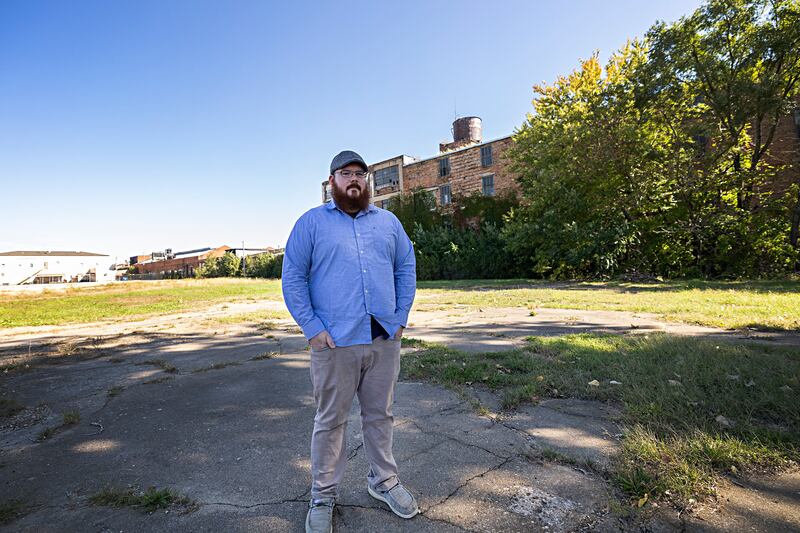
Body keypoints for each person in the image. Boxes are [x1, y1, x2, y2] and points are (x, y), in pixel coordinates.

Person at [282, 150, 419, 533]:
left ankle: (384, 481)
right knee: (330, 421)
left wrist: (400, 317)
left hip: (382, 339)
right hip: (334, 343)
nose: (354, 179)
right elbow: (292, 278)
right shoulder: (310, 224)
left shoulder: (389, 224)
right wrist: (313, 329)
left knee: (381, 415)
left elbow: (405, 267)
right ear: (332, 183)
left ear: (368, 181)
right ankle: (323, 494)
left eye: (361, 173)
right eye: (346, 173)